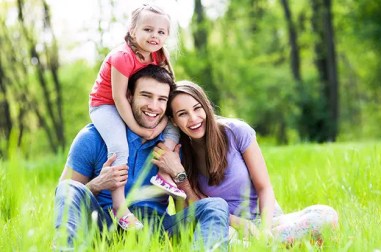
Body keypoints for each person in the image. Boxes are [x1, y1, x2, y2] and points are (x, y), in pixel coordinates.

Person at [54, 65, 230, 251]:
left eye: (161, 99)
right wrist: (98, 184)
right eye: (146, 95)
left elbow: (184, 209)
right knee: (69, 186)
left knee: (216, 206)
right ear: (129, 96)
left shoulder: (174, 144)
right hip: (106, 227)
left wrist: (178, 176)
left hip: (158, 229)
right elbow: (66, 196)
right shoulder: (93, 137)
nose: (154, 106)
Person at [152, 80, 339, 245]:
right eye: (182, 114)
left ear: (206, 107)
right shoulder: (179, 153)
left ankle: (267, 245)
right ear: (174, 121)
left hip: (267, 221)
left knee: (325, 215)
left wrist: (264, 231)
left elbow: (264, 187)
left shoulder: (236, 132)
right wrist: (180, 177)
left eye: (197, 108)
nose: (193, 119)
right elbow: (191, 212)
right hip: (226, 228)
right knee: (220, 241)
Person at [88, 3, 185, 230]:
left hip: (136, 103)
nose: (155, 36)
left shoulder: (159, 54)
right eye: (148, 29)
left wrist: (164, 120)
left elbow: (167, 85)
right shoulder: (123, 56)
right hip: (106, 105)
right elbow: (119, 98)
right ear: (133, 30)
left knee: (174, 126)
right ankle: (119, 207)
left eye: (161, 32)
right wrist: (141, 129)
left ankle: (164, 173)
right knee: (120, 147)